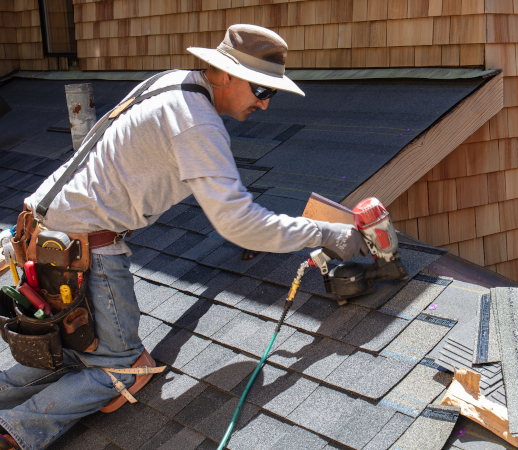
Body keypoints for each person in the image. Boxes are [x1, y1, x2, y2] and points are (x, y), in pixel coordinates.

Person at [0, 24, 367, 450]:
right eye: (262, 91)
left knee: (66, 355)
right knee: (124, 371)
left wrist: (257, 223)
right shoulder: (197, 123)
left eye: (273, 94)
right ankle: (15, 431)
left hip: (42, 233)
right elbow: (237, 222)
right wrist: (327, 233)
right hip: (85, 248)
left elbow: (225, 197)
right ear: (224, 74)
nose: (265, 105)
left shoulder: (173, 82)